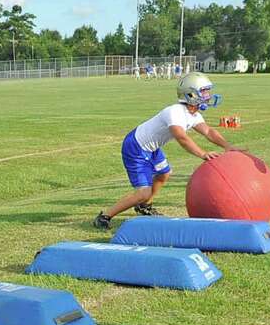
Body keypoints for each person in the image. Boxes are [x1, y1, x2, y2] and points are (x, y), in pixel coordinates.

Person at [94, 72, 244, 228]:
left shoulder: (193, 114)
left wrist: (228, 146)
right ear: (191, 94)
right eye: (204, 91)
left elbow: (209, 132)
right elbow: (182, 137)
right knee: (142, 192)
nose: (208, 95)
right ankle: (105, 216)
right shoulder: (175, 112)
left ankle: (144, 206)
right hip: (136, 147)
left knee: (164, 173)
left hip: (151, 147)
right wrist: (203, 154)